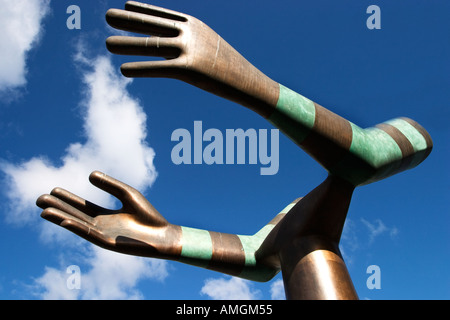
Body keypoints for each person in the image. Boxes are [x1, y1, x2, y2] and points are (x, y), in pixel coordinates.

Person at [36, 1, 432, 299]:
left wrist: (253, 85)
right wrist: (172, 236)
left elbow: (368, 156)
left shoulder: (410, 132)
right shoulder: (294, 217)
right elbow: (260, 258)